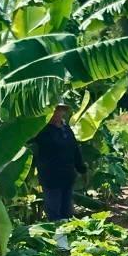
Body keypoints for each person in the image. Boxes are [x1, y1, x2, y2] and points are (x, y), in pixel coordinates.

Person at [32, 96, 86, 230]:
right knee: (54, 213)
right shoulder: (42, 131)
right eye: (55, 110)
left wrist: (82, 169)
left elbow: (75, 150)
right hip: (51, 177)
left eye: (60, 110)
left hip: (67, 176)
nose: (57, 113)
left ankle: (67, 241)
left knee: (67, 211)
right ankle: (59, 243)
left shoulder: (66, 129)